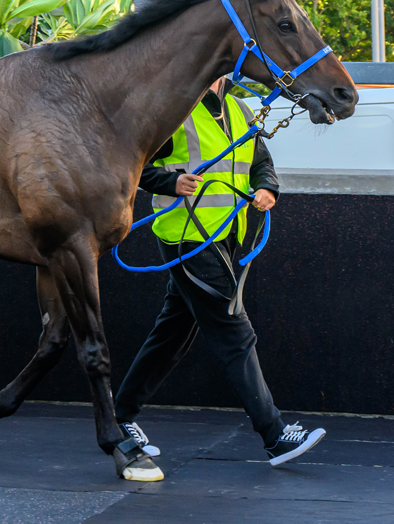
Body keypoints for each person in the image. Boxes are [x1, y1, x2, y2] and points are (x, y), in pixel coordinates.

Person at [115, 77, 325, 467]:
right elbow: (132, 162)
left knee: (172, 333)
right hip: (186, 235)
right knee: (234, 329)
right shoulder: (172, 108)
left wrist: (268, 190)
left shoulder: (242, 109)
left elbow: (261, 162)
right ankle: (274, 435)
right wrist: (169, 180)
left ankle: (120, 416)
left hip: (227, 234)